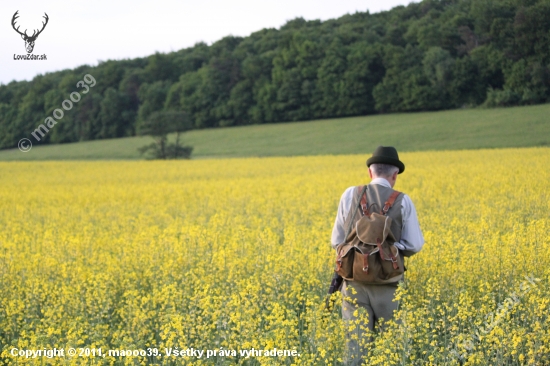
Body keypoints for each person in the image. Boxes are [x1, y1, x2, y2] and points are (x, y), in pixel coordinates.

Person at [331, 146, 424, 365]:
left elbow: (337, 241)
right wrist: (392, 248)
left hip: (353, 282)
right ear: (395, 175)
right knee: (389, 348)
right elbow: (414, 245)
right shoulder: (403, 200)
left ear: (370, 173)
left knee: (355, 348)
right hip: (387, 285)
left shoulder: (349, 195)